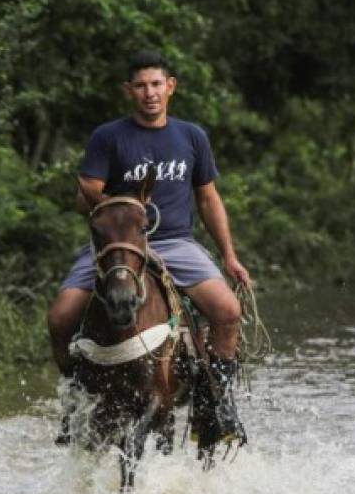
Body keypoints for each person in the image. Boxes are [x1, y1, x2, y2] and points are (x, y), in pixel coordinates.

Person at [47, 50, 252, 446]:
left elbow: (208, 198)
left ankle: (218, 403)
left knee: (228, 311)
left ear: (170, 87)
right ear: (129, 91)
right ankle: (74, 399)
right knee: (60, 317)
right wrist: (117, 205)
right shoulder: (108, 137)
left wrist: (229, 255)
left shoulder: (191, 136)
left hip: (175, 242)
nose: (149, 93)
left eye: (156, 84)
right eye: (140, 86)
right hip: (120, 243)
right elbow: (83, 193)